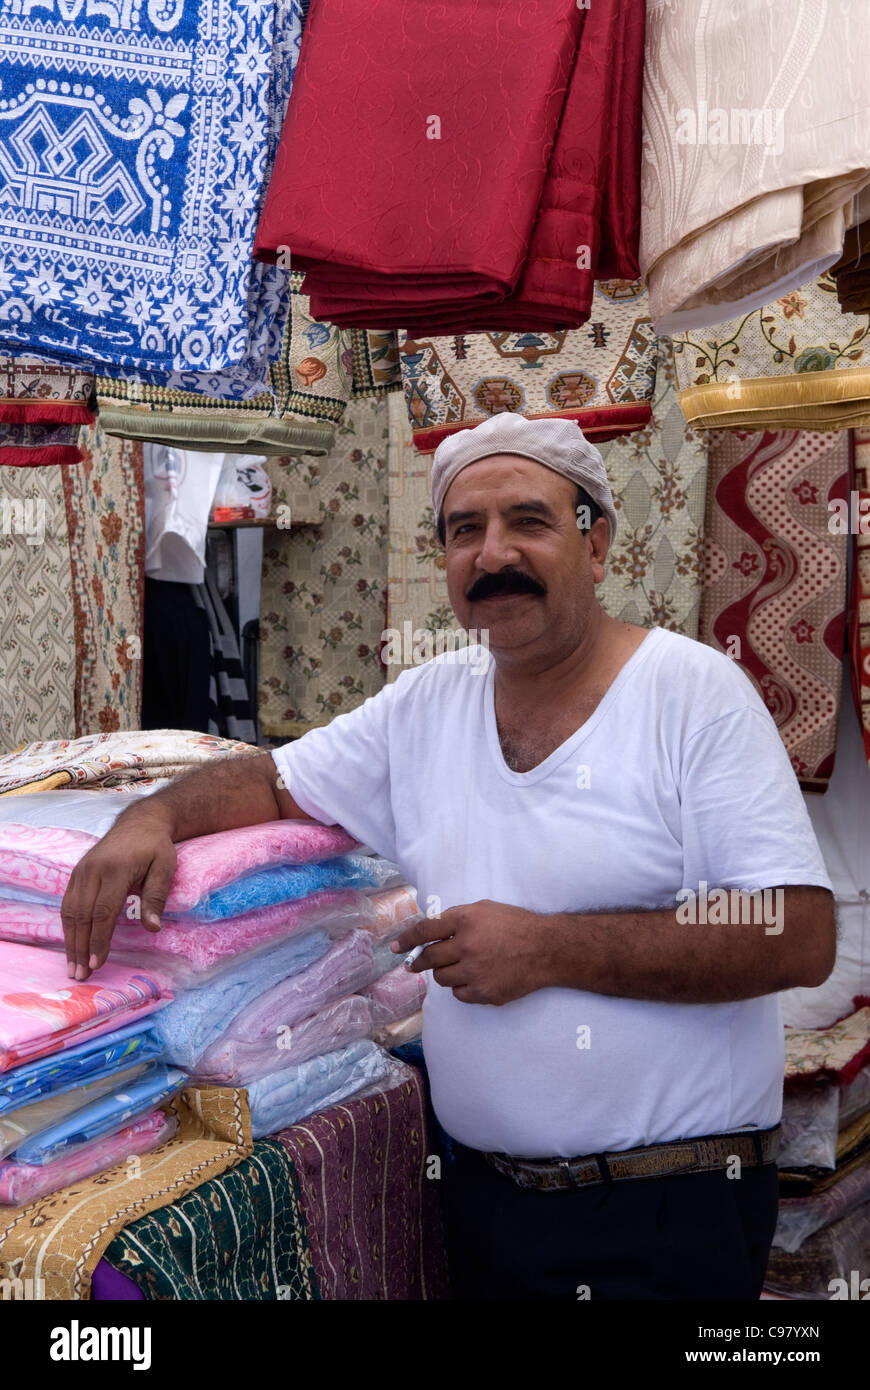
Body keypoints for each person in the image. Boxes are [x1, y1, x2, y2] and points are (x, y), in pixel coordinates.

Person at [60, 412, 835, 1301]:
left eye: (529, 522)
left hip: (664, 1213)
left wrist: (549, 949)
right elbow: (277, 783)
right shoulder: (428, 703)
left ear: (598, 543)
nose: (493, 553)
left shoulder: (692, 695)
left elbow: (794, 931)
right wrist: (147, 821)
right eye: (466, 530)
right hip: (486, 1206)